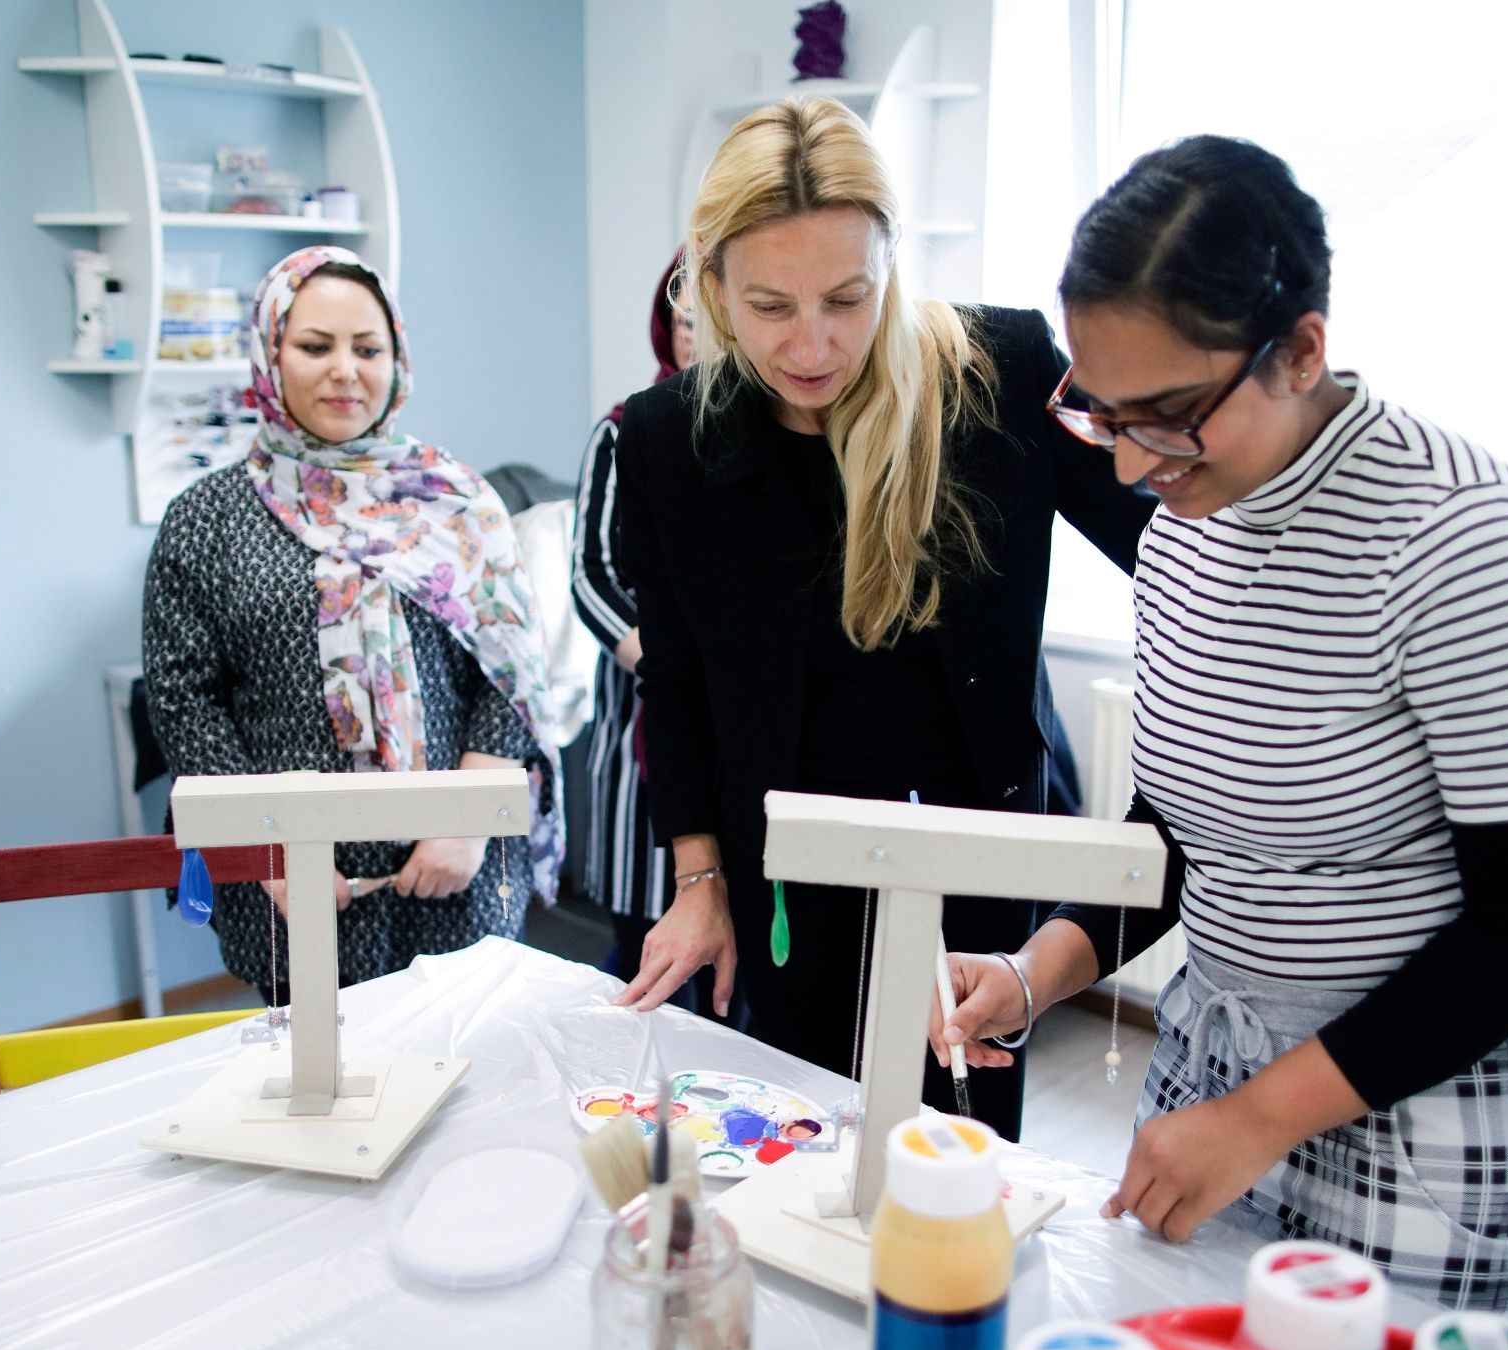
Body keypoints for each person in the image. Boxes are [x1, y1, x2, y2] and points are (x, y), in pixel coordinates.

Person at [933, 136, 1508, 1327]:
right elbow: (1184, 827)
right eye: (1098, 410)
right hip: (1220, 1064)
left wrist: (1256, 1119)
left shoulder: (1464, 539)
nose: (1132, 463)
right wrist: (1033, 975)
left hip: (1431, 1099)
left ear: (1301, 349)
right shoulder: (1192, 519)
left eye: (1171, 415)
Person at [613, 98, 1152, 1141]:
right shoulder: (667, 437)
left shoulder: (998, 374)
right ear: (711, 285)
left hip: (970, 857)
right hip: (783, 870)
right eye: (768, 306)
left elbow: (1168, 545)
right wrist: (698, 878)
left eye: (847, 299)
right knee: (790, 1143)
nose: (812, 345)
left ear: (891, 268)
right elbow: (673, 677)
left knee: (956, 1146)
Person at [143, 245, 564, 996]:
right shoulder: (204, 520)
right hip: (291, 887)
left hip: (453, 871)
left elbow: (511, 672)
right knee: (320, 1090)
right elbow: (186, 702)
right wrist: (272, 854)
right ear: (270, 355)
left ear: (396, 359)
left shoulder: (454, 501)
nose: (346, 370)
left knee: (470, 1073)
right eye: (314, 346)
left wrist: (466, 823)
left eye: (368, 348)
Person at [571, 253, 703, 994]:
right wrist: (669, 664)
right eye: (681, 324)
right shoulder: (624, 433)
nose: (692, 341)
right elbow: (588, 575)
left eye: (706, 325)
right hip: (640, 732)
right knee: (645, 962)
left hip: (736, 745)